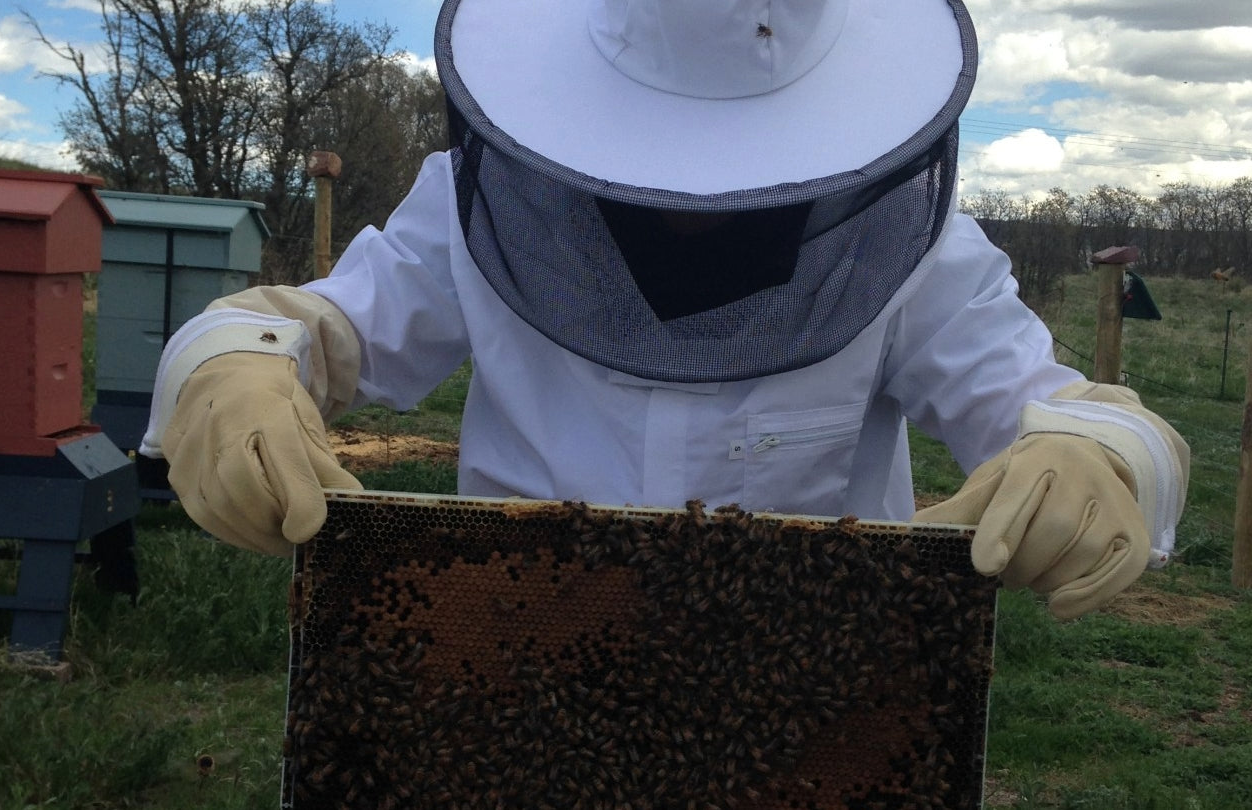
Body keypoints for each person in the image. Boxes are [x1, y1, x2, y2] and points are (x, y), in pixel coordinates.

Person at [141, 0, 1188, 621]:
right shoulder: (476, 201)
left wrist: (1101, 457)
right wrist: (234, 366)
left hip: (809, 700)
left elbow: (1072, 418)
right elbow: (317, 328)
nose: (693, 201)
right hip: (514, 653)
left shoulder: (916, 245)